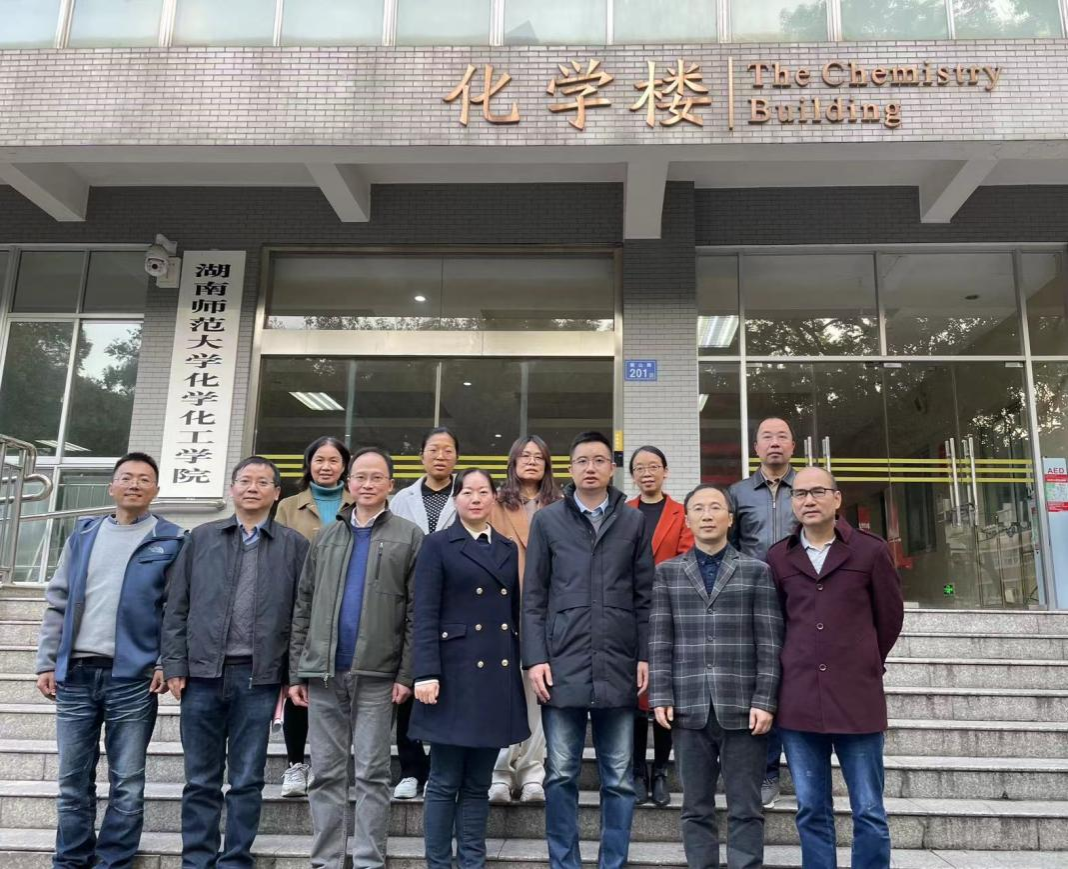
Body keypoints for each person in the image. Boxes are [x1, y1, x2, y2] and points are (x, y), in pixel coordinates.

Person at [35, 452, 186, 869]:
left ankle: (114, 860)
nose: (134, 484)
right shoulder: (83, 535)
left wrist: (164, 661)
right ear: (112, 486)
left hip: (133, 678)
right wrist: (47, 661)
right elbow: (58, 601)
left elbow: (175, 609)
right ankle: (71, 858)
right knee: (71, 780)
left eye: (144, 479)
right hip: (76, 674)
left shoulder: (172, 540)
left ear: (156, 490)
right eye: (126, 477)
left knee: (128, 782)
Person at [162, 456, 309, 869]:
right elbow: (176, 606)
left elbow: (302, 615)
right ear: (232, 488)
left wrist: (294, 674)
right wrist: (174, 664)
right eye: (245, 480)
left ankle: (236, 859)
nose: (252, 488)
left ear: (276, 493)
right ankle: (197, 860)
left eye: (263, 482)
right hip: (201, 675)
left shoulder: (294, 546)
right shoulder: (201, 538)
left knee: (246, 779)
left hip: (259, 677)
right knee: (200, 779)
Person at [522, 430, 655, 869]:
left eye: (599, 460)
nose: (591, 468)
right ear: (570, 468)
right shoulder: (548, 521)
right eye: (582, 461)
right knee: (561, 774)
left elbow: (644, 596)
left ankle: (612, 862)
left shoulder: (633, 521)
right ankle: (565, 863)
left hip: (618, 662)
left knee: (618, 778)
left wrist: (644, 654)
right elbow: (534, 596)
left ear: (611, 468)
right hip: (563, 662)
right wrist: (536, 658)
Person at [288, 446, 423, 869]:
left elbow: (416, 612)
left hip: (378, 675)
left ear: (390, 485)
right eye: (360, 477)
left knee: (372, 773)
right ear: (349, 483)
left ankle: (368, 860)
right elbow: (303, 605)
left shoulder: (409, 536)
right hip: (324, 674)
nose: (367, 484)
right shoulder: (327, 535)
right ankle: (326, 860)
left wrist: (406, 673)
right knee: (325, 773)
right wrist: (297, 671)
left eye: (376, 477)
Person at [767, 466, 904, 869]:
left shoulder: (870, 551)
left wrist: (864, 660)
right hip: (799, 701)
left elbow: (890, 617)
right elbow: (775, 623)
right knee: (811, 809)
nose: (808, 501)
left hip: (857, 698)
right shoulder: (779, 556)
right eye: (800, 494)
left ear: (837, 498)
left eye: (818, 492)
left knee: (869, 809)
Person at [649, 484, 783, 869]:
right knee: (695, 807)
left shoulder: (757, 572)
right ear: (687, 520)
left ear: (730, 519)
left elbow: (770, 642)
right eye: (698, 509)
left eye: (715, 508)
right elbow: (660, 639)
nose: (707, 515)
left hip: (743, 708)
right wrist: (661, 694)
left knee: (746, 807)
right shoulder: (668, 573)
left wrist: (765, 700)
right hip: (688, 707)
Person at [410, 468, 530, 869]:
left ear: (494, 497)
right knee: (444, 781)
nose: (475, 499)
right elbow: (424, 613)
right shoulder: (437, 544)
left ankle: (472, 861)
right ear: (456, 499)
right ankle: (438, 863)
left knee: (479, 783)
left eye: (483, 492)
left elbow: (513, 614)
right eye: (467, 492)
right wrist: (425, 672)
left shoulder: (506, 548)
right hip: (451, 677)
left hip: (495, 676)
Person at [273, 435, 354, 798]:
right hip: (301, 606)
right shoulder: (288, 506)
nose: (326, 466)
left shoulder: (358, 502)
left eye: (334, 460)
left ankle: (332, 764)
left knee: (338, 689)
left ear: (344, 466)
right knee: (299, 684)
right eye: (319, 459)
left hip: (347, 608)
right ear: (308, 465)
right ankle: (295, 764)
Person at [728, 416, 798, 808]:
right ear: (755, 447)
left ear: (792, 446)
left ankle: (794, 767)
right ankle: (764, 769)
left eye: (782, 436)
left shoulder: (806, 489)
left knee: (792, 685)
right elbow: (729, 547)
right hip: (752, 602)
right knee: (758, 684)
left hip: (801, 601)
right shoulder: (738, 493)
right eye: (766, 437)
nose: (774, 442)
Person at [487, 435, 561, 805]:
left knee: (538, 692)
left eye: (538, 456)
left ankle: (533, 772)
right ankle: (500, 772)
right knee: (502, 692)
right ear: (513, 462)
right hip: (503, 611)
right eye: (525, 456)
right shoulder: (496, 503)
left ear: (547, 464)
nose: (531, 461)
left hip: (548, 611)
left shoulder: (561, 505)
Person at [388, 425, 460, 798]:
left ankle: (440, 768)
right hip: (409, 597)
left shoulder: (466, 494)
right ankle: (411, 769)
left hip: (454, 599)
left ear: (457, 457)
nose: (440, 456)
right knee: (410, 682)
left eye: (447, 450)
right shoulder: (402, 498)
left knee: (448, 686)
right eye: (434, 449)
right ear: (421, 456)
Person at [626, 445, 693, 808]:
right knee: (636, 697)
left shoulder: (682, 513)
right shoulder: (623, 512)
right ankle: (637, 770)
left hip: (670, 612)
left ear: (666, 472)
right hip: (630, 614)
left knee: (666, 693)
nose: (647, 473)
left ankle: (661, 771)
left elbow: (686, 560)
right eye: (640, 468)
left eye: (653, 466)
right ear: (632, 475)